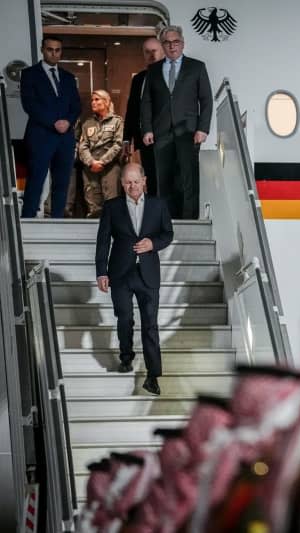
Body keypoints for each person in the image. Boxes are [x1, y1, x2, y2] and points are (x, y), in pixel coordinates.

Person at [95, 163, 173, 396]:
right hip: (120, 272)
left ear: (144, 180)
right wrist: (101, 271)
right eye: (128, 182)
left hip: (148, 273)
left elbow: (168, 233)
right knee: (125, 318)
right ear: (122, 184)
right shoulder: (112, 207)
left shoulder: (158, 205)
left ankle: (152, 376)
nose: (132, 186)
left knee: (150, 325)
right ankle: (126, 357)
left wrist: (153, 244)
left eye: (136, 181)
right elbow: (103, 241)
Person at [140, 25, 212, 220]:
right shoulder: (153, 70)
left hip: (188, 131)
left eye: (176, 42)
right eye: (168, 43)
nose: (172, 46)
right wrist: (147, 129)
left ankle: (189, 220)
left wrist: (203, 129)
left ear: (182, 44)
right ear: (162, 45)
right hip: (161, 132)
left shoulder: (197, 67)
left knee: (188, 178)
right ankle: (165, 220)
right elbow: (146, 101)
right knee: (163, 179)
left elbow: (206, 99)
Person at [19, 35, 81, 218]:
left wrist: (68, 122)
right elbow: (29, 105)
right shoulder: (29, 74)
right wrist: (53, 122)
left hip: (65, 138)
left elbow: (76, 105)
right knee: (36, 180)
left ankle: (58, 220)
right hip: (41, 135)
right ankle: (28, 220)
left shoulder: (68, 77)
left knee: (62, 182)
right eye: (50, 49)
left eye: (57, 50)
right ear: (42, 49)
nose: (54, 53)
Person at [123, 37, 164, 194]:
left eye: (155, 51)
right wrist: (127, 138)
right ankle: (154, 213)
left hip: (168, 138)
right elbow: (132, 109)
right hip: (145, 139)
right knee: (151, 179)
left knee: (168, 180)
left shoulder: (170, 76)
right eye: (147, 52)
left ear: (162, 52)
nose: (151, 55)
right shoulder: (139, 79)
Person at [79, 90, 123, 217]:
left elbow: (118, 145)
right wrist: (91, 162)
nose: (93, 102)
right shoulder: (87, 123)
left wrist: (102, 161)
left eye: (97, 99)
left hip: (109, 167)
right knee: (93, 206)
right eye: (92, 100)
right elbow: (83, 146)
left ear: (107, 102)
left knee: (112, 205)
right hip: (90, 168)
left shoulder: (117, 121)